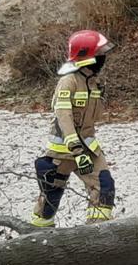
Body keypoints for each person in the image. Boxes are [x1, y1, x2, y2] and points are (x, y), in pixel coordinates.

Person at [29, 30, 116, 227]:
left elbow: (95, 117)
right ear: (88, 57)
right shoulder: (68, 82)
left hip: (87, 146)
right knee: (51, 194)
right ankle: (38, 234)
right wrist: (75, 149)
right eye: (99, 54)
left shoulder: (92, 82)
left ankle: (96, 234)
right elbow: (63, 116)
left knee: (104, 187)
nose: (103, 58)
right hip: (65, 151)